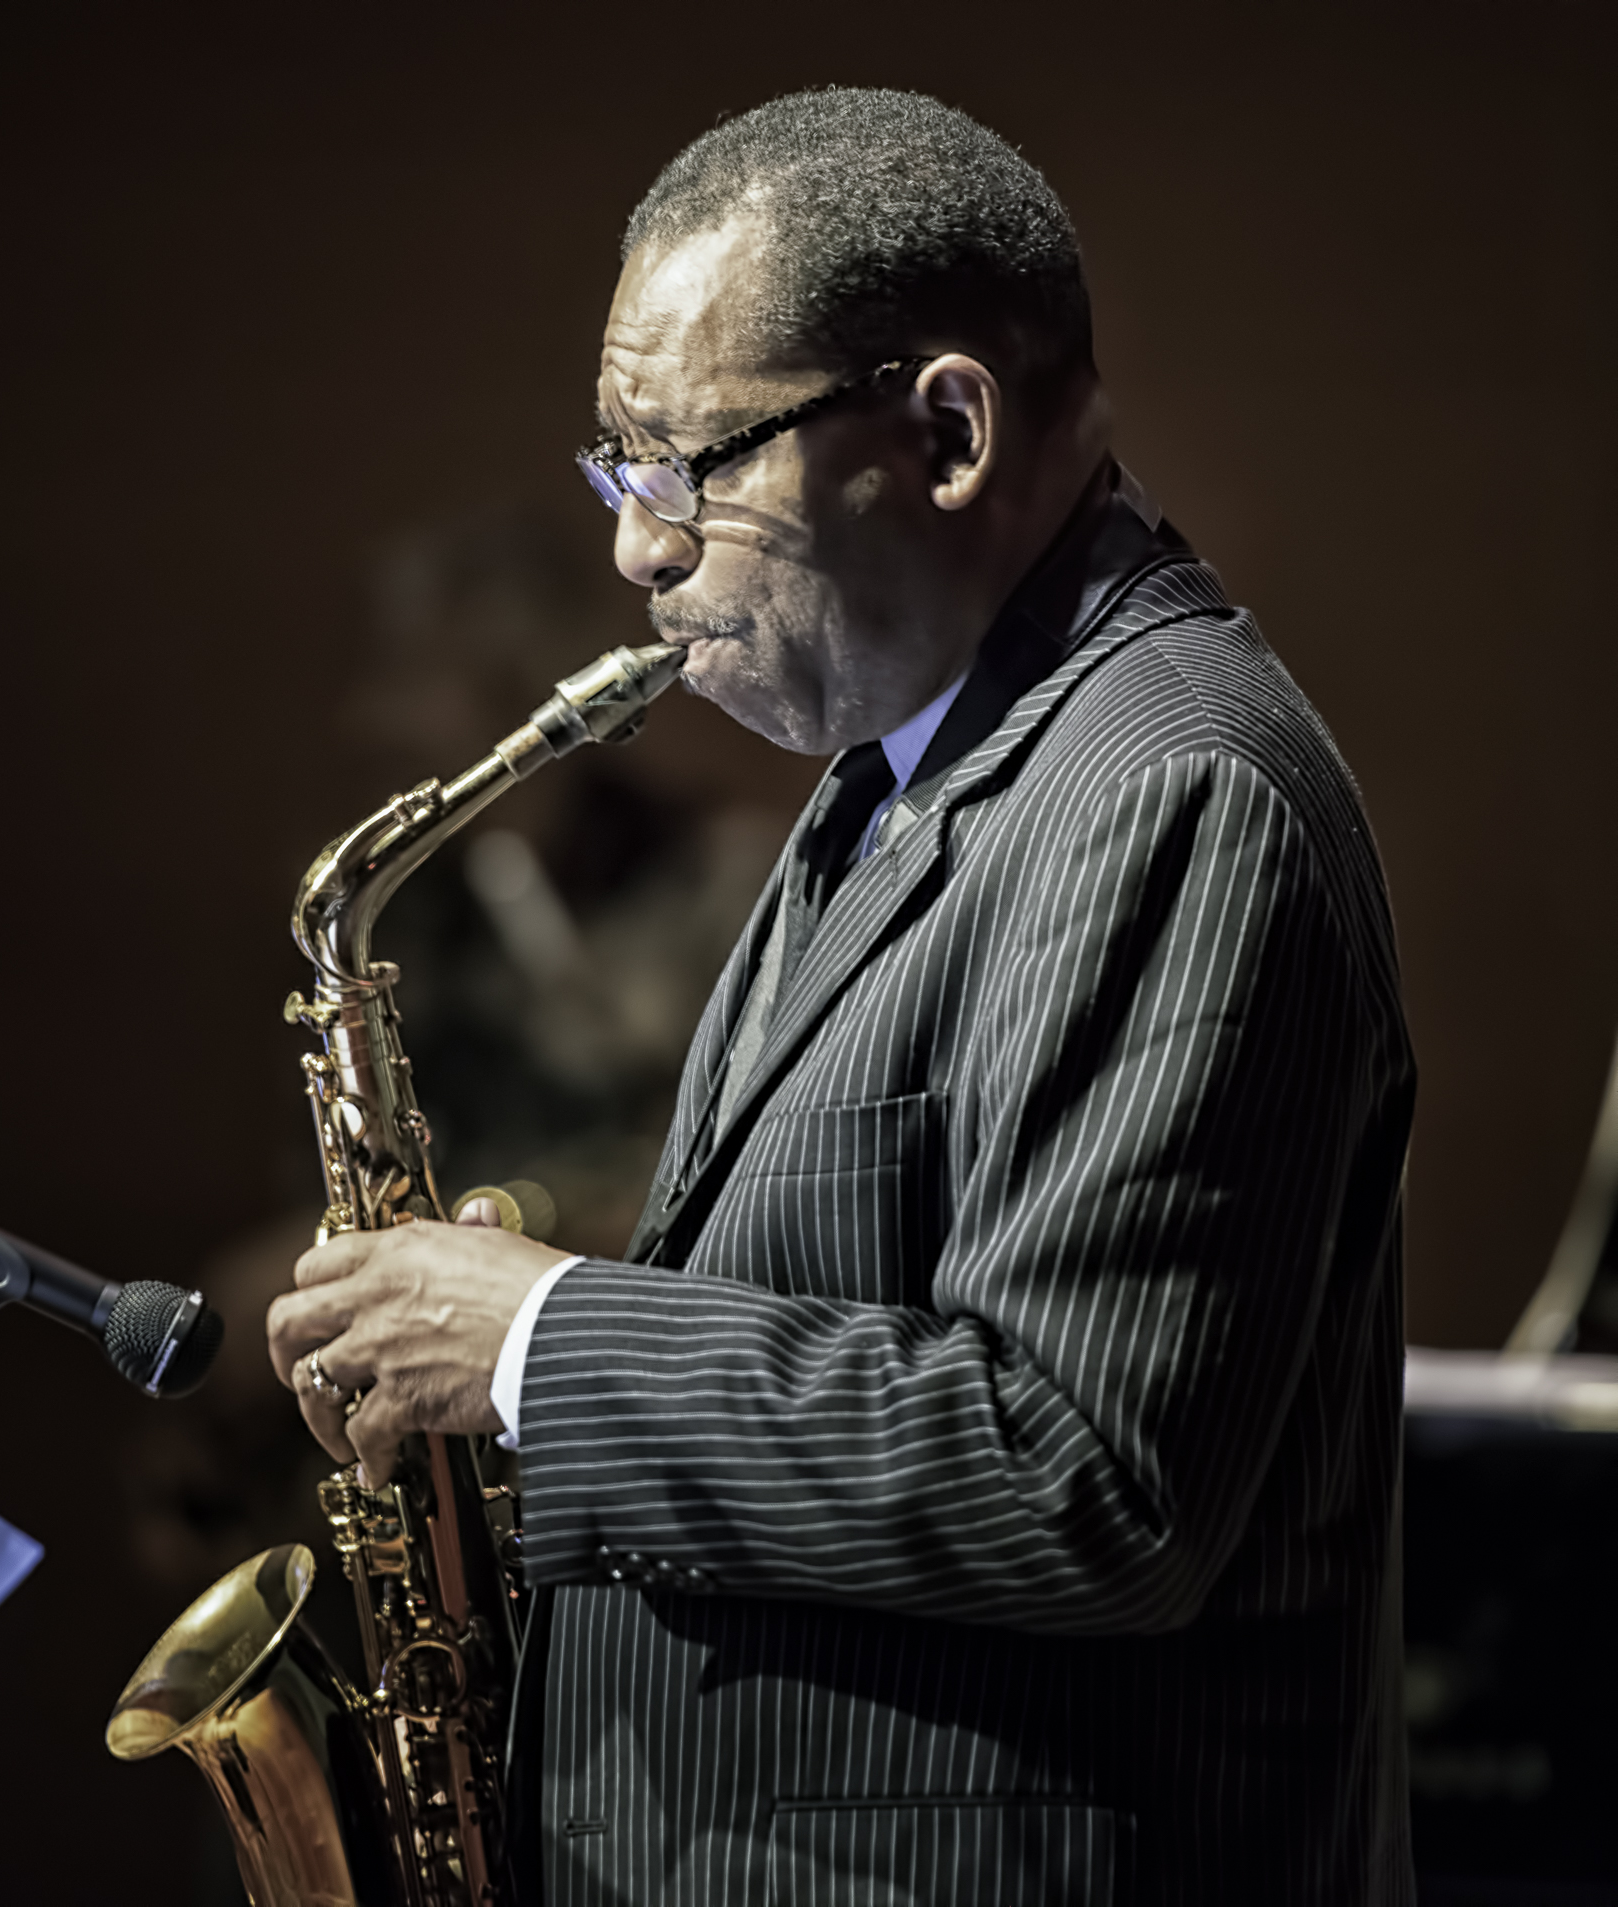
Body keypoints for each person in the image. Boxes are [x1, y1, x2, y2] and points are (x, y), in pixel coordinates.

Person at [267, 87, 1412, 1906]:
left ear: (948, 431)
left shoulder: (1168, 787)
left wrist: (545, 1344)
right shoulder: (913, 767)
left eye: (687, 466)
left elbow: (1087, 1472)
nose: (639, 549)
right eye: (613, 472)